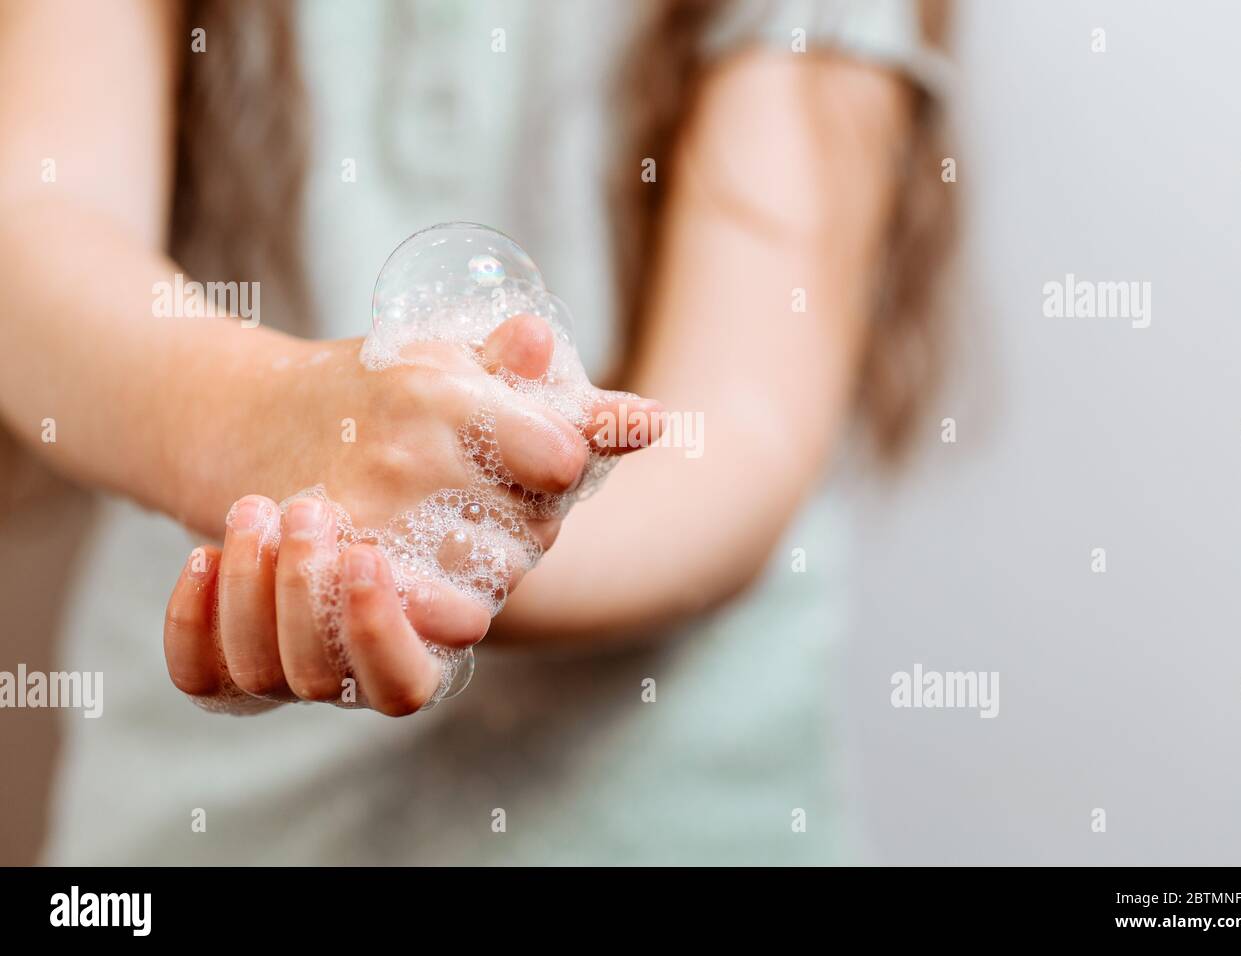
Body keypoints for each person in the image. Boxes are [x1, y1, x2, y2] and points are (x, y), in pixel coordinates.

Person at [0, 0, 952, 864]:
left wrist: (460, 544)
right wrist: (272, 417)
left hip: (671, 812)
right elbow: (35, 233)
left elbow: (742, 434)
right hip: (206, 822)